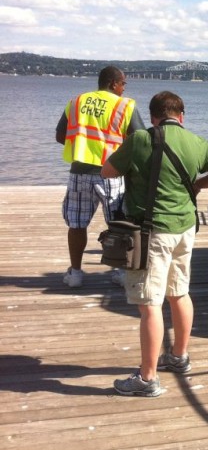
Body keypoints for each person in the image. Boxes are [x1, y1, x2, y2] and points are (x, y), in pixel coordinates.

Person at [101, 91, 208, 397]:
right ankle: (178, 357)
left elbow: (107, 171)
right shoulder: (196, 142)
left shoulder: (140, 140)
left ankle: (147, 379)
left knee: (149, 304)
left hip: (152, 233)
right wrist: (198, 184)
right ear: (182, 116)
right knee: (179, 292)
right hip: (185, 228)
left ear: (152, 116)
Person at [56, 65, 146, 288]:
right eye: (123, 83)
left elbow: (60, 135)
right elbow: (140, 141)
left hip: (80, 171)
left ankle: (75, 273)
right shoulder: (125, 105)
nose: (124, 88)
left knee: (77, 224)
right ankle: (121, 272)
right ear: (113, 83)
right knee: (119, 224)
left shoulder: (76, 102)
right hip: (112, 173)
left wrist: (83, 147)